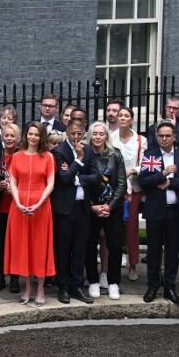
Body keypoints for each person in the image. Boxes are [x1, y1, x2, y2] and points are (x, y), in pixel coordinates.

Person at [137, 122, 179, 304]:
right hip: (155, 210)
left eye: (167, 136)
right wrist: (162, 174)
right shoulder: (149, 155)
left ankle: (170, 287)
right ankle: (153, 286)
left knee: (172, 252)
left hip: (175, 212)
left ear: (174, 136)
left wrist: (171, 182)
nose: (164, 139)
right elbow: (144, 181)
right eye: (160, 135)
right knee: (153, 251)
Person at [4, 123, 56, 305]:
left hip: (41, 205)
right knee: (23, 246)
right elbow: (13, 182)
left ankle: (40, 288)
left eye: (37, 134)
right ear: (26, 136)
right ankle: (27, 288)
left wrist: (40, 202)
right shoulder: (16, 157)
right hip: (19, 207)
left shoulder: (48, 157)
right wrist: (17, 203)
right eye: (30, 134)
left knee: (40, 246)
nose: (33, 137)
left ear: (42, 137)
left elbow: (50, 183)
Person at [51, 120, 94, 304]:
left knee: (80, 247)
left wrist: (77, 178)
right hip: (64, 209)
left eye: (79, 134)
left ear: (84, 133)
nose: (76, 137)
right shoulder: (59, 152)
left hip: (82, 208)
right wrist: (77, 160)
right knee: (63, 248)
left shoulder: (90, 150)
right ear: (67, 133)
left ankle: (77, 285)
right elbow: (64, 178)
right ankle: (63, 286)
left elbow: (96, 176)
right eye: (73, 134)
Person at [81, 122, 125, 299]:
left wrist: (110, 206)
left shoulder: (116, 154)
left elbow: (121, 183)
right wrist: (93, 206)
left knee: (114, 246)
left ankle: (113, 282)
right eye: (95, 134)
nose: (98, 137)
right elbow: (81, 183)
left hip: (112, 207)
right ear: (90, 136)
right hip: (91, 208)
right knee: (90, 245)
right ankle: (93, 281)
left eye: (101, 134)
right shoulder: (84, 155)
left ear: (106, 136)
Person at [109, 105, 147, 281]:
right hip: (113, 188)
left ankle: (132, 265)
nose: (122, 118)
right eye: (120, 115)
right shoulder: (110, 137)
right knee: (111, 228)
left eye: (126, 116)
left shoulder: (140, 140)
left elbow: (144, 162)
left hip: (133, 188)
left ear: (131, 120)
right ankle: (109, 264)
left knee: (131, 227)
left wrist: (133, 171)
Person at [0, 122, 21, 292]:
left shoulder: (22, 156)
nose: (9, 139)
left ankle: (15, 278)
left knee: (15, 244)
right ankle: (0, 276)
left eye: (12, 136)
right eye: (6, 135)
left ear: (18, 139)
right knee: (0, 243)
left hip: (16, 207)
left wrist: (14, 189)